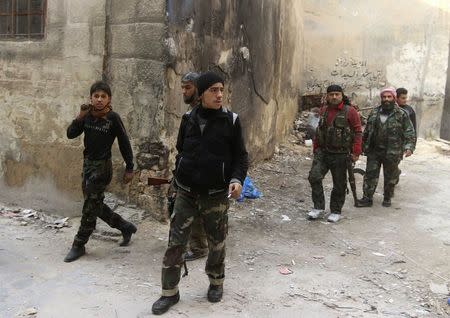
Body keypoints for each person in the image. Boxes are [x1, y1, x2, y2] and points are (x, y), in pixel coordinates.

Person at [151, 71, 249, 315]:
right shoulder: (188, 118)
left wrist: (236, 179)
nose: (219, 95)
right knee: (175, 244)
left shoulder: (231, 120)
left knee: (217, 243)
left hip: (216, 194)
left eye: (221, 90)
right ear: (202, 93)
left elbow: (241, 157)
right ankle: (169, 293)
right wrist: (181, 175)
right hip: (186, 192)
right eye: (213, 90)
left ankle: (216, 282)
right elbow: (182, 147)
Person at [64, 81, 137, 262]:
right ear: (91, 98)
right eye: (96, 96)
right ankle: (124, 226)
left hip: (102, 168)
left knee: (89, 207)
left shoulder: (112, 118)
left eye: (103, 96)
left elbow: (124, 142)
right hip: (87, 166)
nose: (99, 100)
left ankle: (79, 244)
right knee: (94, 204)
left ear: (109, 99)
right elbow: (71, 134)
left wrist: (129, 167)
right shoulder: (87, 116)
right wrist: (79, 117)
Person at [307, 85, 362, 223]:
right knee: (314, 177)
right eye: (331, 94)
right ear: (327, 96)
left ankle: (336, 210)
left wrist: (356, 151)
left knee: (339, 184)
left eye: (337, 94)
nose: (334, 97)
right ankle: (318, 207)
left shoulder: (350, 111)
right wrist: (316, 148)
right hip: (323, 152)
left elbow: (357, 132)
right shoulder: (324, 110)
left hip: (341, 154)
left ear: (342, 95)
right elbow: (319, 130)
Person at [357, 87, 415, 208]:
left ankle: (387, 197)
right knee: (370, 175)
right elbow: (367, 131)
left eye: (389, 97)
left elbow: (409, 132)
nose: (386, 99)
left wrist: (409, 147)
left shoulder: (401, 114)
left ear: (394, 98)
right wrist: (361, 146)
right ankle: (367, 198)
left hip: (392, 151)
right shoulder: (374, 112)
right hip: (374, 150)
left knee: (390, 177)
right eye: (384, 97)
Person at [173, 72, 209, 262]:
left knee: (198, 209)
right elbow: (181, 145)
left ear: (198, 89)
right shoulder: (189, 115)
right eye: (183, 88)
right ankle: (193, 244)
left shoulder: (206, 114)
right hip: (187, 169)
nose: (184, 92)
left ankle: (199, 247)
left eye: (188, 88)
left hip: (202, 171)